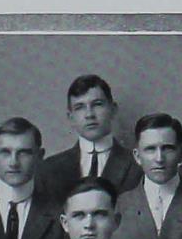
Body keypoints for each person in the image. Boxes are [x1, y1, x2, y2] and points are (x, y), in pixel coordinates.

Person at [36, 73, 142, 202]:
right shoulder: (50, 169)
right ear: (71, 117)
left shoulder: (137, 165)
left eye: (97, 104)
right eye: (80, 107)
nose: (89, 114)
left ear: (113, 109)